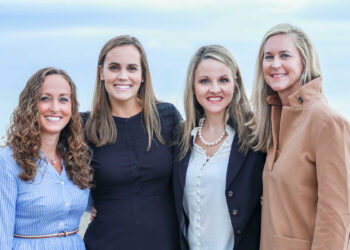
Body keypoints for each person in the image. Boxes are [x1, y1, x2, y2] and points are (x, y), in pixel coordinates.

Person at [250, 23, 350, 250]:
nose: (275, 64)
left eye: (285, 55)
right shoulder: (274, 120)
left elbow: (336, 216)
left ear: (303, 61)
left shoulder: (328, 122)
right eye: (268, 57)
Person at [83, 35, 181, 250]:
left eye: (132, 68)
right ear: (102, 73)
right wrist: (86, 205)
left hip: (165, 242)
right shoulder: (84, 126)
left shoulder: (167, 117)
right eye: (114, 68)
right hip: (105, 242)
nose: (123, 76)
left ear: (143, 75)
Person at [173, 45, 266, 250]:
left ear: (235, 85)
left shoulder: (256, 138)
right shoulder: (180, 139)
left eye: (223, 80)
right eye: (204, 81)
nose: (214, 89)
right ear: (193, 87)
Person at [0, 67, 92, 250]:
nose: (55, 108)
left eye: (63, 99)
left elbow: (94, 204)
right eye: (45, 98)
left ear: (72, 108)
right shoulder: (8, 160)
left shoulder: (77, 158)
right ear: (31, 105)